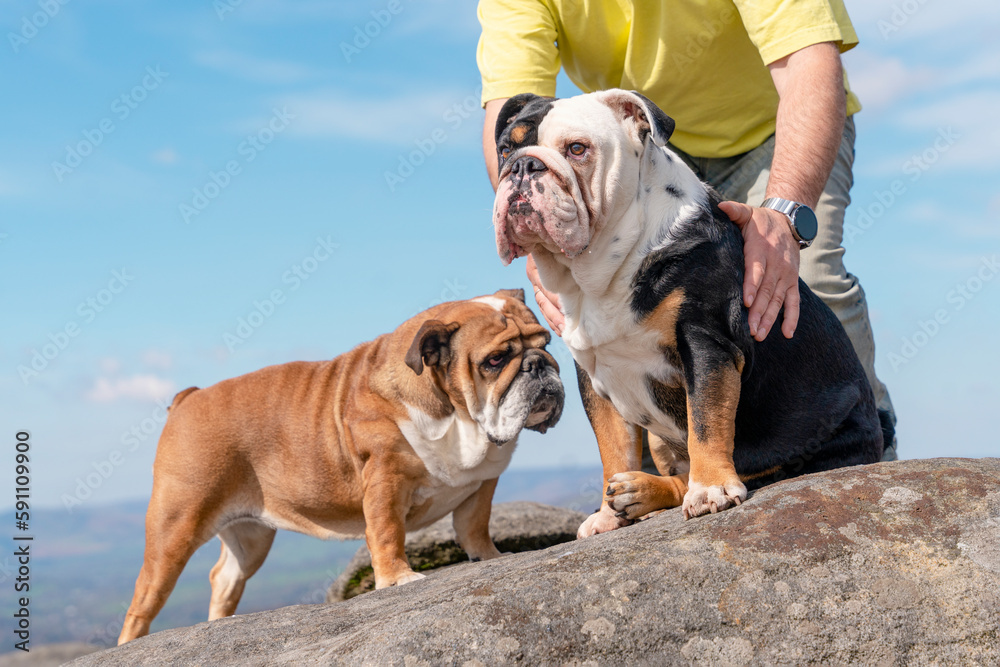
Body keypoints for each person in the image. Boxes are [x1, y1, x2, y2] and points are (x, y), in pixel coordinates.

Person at [476, 0, 897, 460]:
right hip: (632, 154)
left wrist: (784, 215)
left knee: (801, 281)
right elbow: (508, 114)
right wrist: (538, 234)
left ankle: (867, 446)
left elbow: (808, 62)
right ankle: (664, 477)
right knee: (600, 312)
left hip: (775, 126)